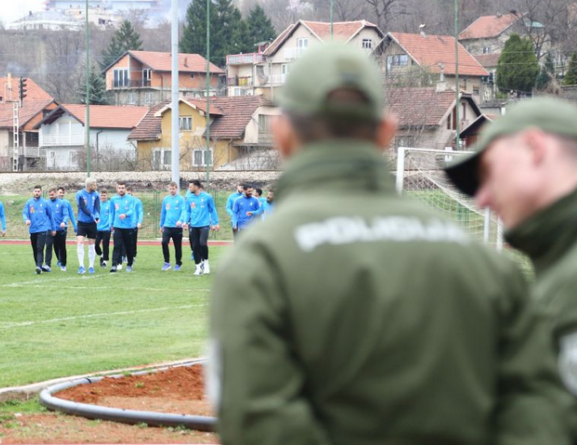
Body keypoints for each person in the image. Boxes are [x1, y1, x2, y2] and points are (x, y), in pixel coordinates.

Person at [208, 43, 572, 445]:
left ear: (281, 134)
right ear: (386, 131)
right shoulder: (481, 259)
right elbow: (538, 405)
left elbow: (256, 421)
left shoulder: (262, 259)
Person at [444, 98, 577, 402]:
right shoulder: (557, 262)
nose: (482, 200)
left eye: (488, 172)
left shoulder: (569, 282)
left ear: (534, 147)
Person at [184, 180, 219, 275]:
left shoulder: (207, 197)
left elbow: (212, 210)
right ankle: (198, 267)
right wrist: (185, 222)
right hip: (193, 225)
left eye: (191, 187)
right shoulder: (189, 198)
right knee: (195, 246)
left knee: (203, 244)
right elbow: (188, 211)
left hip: (204, 225)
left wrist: (215, 223)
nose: (189, 188)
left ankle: (206, 263)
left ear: (196, 187)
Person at [23, 185, 54, 274]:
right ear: (33, 192)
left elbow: (51, 216)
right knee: (35, 249)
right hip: (33, 230)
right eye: (35, 191)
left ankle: (39, 266)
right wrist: (26, 220)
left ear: (41, 192)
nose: (37, 193)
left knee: (40, 248)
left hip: (42, 229)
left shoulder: (45, 203)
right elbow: (25, 213)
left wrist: (53, 228)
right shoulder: (29, 203)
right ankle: (38, 265)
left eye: (38, 191)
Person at [45, 188, 76, 272]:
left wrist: (64, 222)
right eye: (50, 195)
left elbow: (66, 215)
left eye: (52, 194)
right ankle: (47, 265)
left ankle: (63, 264)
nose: (51, 196)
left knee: (61, 247)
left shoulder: (63, 203)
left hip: (60, 228)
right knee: (49, 245)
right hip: (50, 228)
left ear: (56, 194)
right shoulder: (46, 203)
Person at [75, 178, 101, 274]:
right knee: (80, 241)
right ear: (89, 186)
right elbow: (82, 207)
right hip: (82, 222)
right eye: (95, 184)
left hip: (92, 223)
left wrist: (97, 215)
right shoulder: (80, 194)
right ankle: (81, 266)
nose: (96, 186)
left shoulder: (96, 194)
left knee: (91, 244)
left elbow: (97, 207)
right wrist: (91, 215)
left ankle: (91, 266)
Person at [108, 182, 135, 273]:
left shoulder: (130, 198)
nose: (121, 189)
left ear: (125, 189)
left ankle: (129, 264)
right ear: (117, 189)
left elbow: (132, 210)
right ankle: (114, 265)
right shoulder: (113, 199)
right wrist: (111, 224)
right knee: (117, 246)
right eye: (119, 188)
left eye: (123, 188)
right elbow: (111, 212)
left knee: (128, 246)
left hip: (128, 227)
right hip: (117, 226)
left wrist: (125, 215)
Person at [160, 181, 187, 271]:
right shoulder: (166, 199)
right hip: (167, 226)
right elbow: (163, 213)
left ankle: (178, 263)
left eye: (173, 189)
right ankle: (167, 263)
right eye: (170, 189)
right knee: (164, 242)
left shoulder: (181, 199)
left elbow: (183, 211)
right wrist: (161, 225)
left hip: (177, 227)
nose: (171, 190)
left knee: (177, 246)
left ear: (176, 189)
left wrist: (180, 220)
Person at [95, 189, 112, 268]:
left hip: (106, 228)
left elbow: (111, 215)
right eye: (101, 195)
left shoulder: (110, 204)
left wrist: (110, 225)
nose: (103, 197)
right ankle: (101, 255)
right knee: (96, 245)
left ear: (107, 195)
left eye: (104, 195)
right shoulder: (97, 204)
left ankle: (105, 261)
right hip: (98, 228)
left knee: (105, 245)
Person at [126, 186, 143, 265]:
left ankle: (132, 256)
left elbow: (140, 212)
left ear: (132, 193)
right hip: (124, 224)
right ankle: (124, 256)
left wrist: (139, 222)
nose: (128, 195)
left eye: (129, 193)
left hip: (133, 224)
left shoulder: (137, 201)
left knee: (133, 241)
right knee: (124, 241)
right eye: (127, 193)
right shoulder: (123, 201)